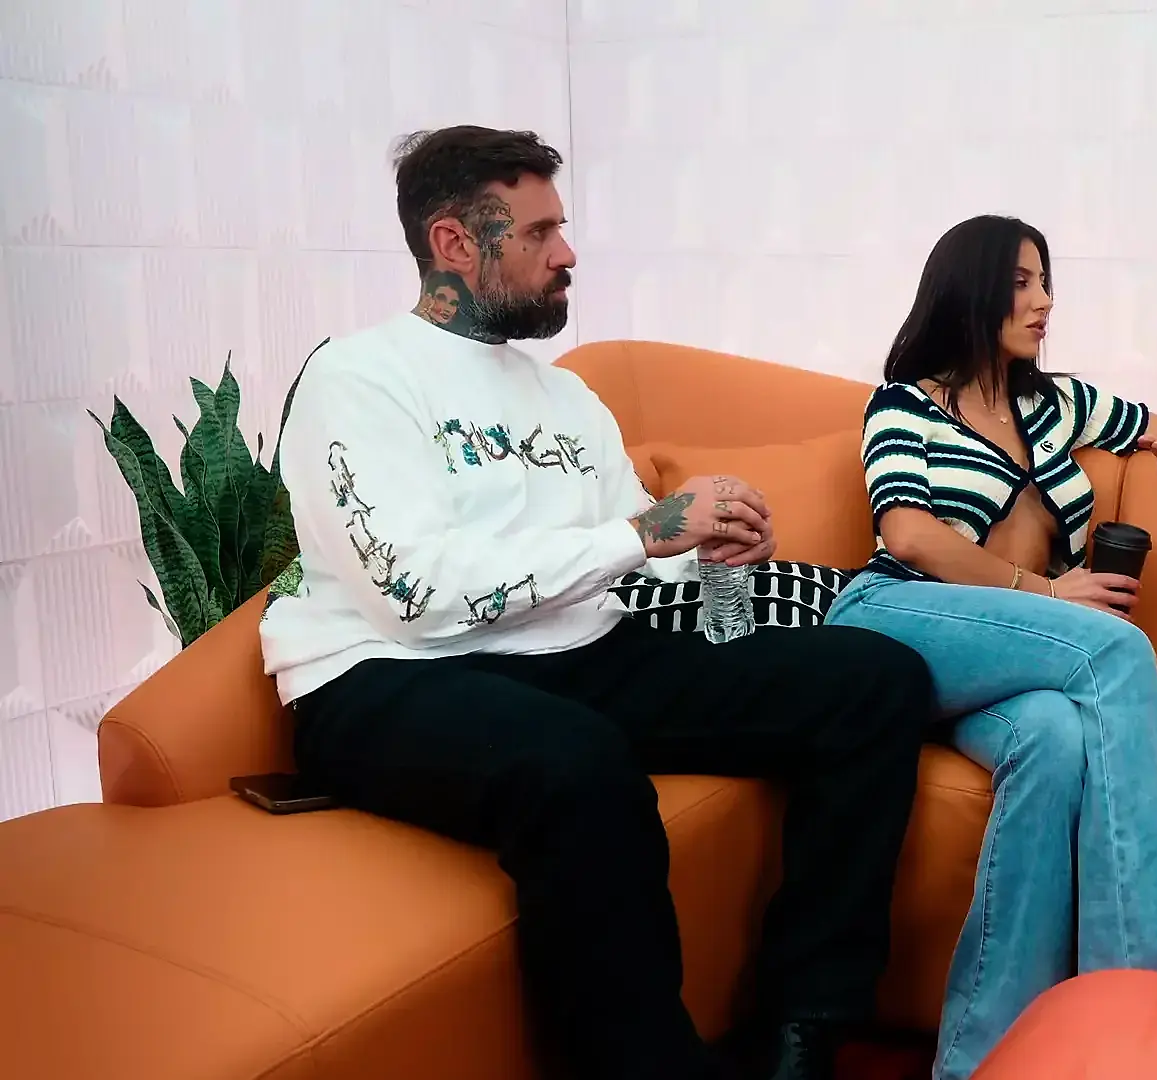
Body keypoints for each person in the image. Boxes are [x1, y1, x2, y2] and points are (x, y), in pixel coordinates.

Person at [258, 125, 936, 1080]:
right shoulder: (357, 378)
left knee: (875, 680)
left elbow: (636, 571)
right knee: (578, 766)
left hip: (575, 654)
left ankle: (804, 1033)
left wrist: (717, 561)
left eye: (560, 227)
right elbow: (414, 597)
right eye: (539, 232)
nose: (567, 253)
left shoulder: (567, 402)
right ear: (454, 242)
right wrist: (646, 531)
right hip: (386, 676)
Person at [822, 214, 1157, 1079]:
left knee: (1055, 737)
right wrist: (1048, 592)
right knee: (1112, 651)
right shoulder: (905, 404)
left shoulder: (1055, 403)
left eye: (1046, 283)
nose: (1043, 301)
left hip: (1008, 659)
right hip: (897, 619)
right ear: (969, 290)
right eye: (1021, 282)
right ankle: (1156, 1005)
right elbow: (910, 533)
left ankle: (982, 1059)